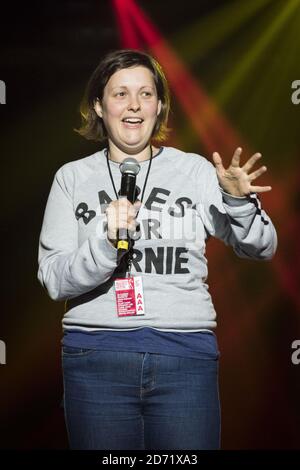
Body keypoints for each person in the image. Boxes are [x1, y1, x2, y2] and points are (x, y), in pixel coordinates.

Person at [37, 49, 277, 450]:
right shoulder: (72, 178)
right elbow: (53, 279)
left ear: (160, 105)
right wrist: (106, 242)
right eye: (120, 94)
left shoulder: (195, 171)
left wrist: (238, 203)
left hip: (184, 358)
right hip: (96, 359)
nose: (134, 105)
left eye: (146, 94)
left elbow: (262, 249)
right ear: (98, 105)